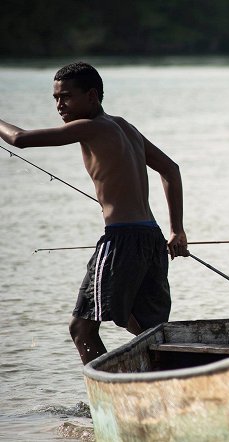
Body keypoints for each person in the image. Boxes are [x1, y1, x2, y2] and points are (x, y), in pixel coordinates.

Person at [0, 62, 188, 364]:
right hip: (151, 238)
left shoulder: (90, 126)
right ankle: (165, 376)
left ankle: (114, 390)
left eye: (66, 97)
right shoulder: (125, 126)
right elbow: (171, 169)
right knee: (144, 326)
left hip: (122, 241)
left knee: (81, 329)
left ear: (92, 96)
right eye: (56, 98)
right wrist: (176, 229)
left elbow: (20, 139)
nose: (60, 105)